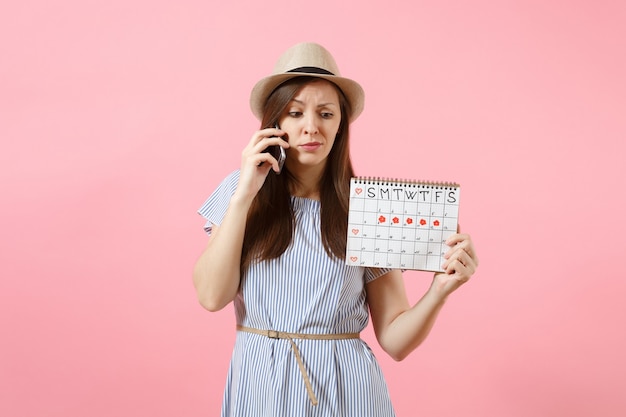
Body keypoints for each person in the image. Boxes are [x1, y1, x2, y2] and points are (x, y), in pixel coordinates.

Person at [193, 42, 479, 416]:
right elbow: (212, 296)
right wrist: (246, 193)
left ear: (341, 122)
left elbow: (395, 340)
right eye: (295, 113)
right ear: (275, 121)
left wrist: (440, 289)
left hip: (348, 394)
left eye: (325, 113)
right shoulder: (240, 192)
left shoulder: (368, 208)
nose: (311, 127)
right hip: (259, 387)